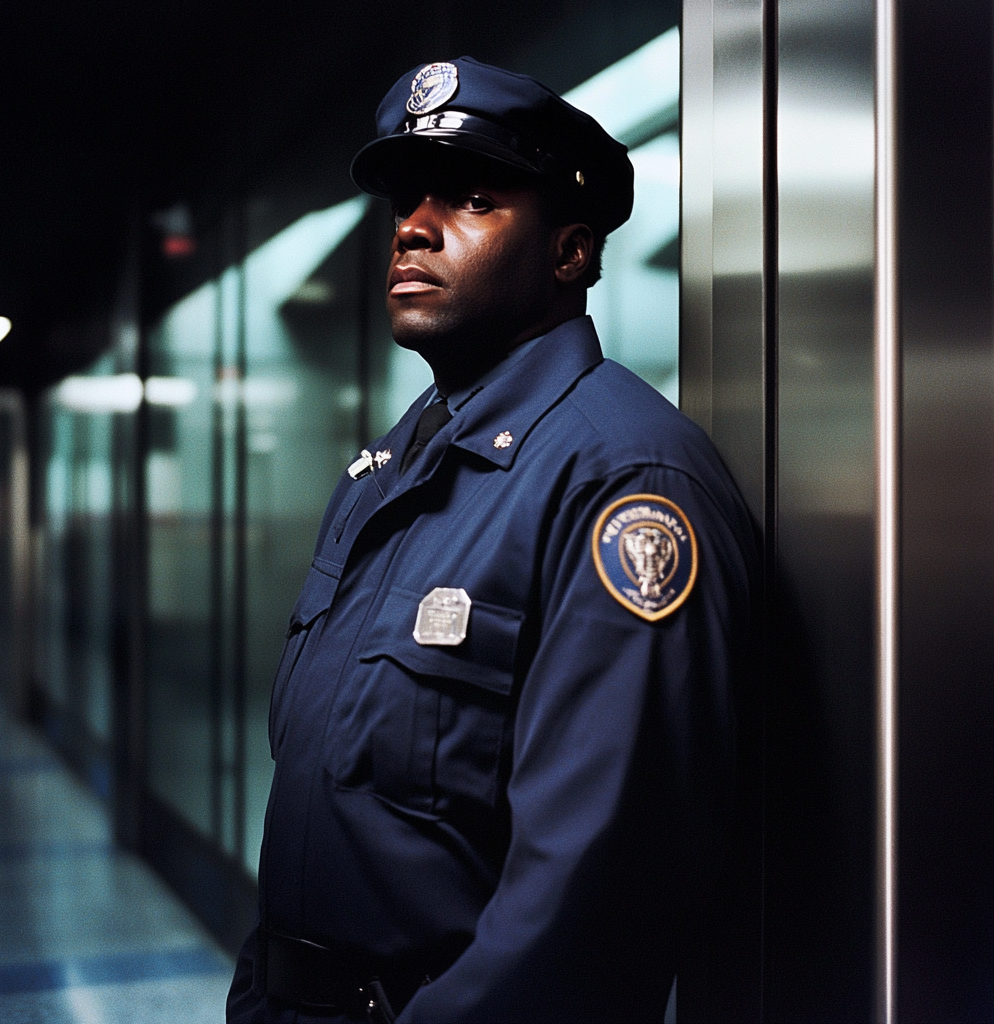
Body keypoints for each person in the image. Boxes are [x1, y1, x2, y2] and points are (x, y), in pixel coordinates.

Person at [227, 56, 757, 1024]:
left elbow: (593, 897)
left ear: (570, 253)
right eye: (406, 202)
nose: (412, 228)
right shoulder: (390, 471)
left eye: (472, 199)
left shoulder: (620, 479)